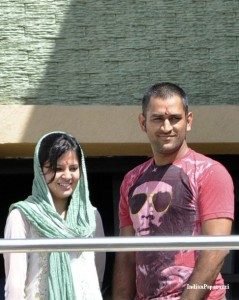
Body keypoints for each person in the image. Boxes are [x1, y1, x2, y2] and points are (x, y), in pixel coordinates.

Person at [113, 82, 234, 300]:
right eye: (158, 118)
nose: (166, 127)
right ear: (143, 123)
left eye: (175, 118)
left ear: (188, 122)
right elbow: (126, 255)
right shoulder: (131, 180)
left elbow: (216, 249)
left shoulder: (211, 173)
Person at [4, 131, 105, 299]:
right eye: (57, 168)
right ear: (40, 170)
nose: (67, 176)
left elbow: (97, 274)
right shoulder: (22, 216)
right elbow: (14, 286)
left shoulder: (91, 217)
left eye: (73, 168)